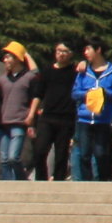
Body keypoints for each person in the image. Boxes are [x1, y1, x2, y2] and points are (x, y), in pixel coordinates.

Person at [72, 42, 112, 180]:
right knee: (84, 154)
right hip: (84, 118)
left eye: (88, 49)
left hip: (103, 119)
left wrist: (105, 93)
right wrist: (87, 93)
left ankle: (102, 180)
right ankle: (87, 183)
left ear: (98, 50)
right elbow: (75, 93)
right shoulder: (84, 71)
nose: (85, 53)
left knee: (101, 153)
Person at [0, 43, 44, 180]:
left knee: (13, 157)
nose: (5, 60)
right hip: (3, 123)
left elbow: (36, 96)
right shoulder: (2, 79)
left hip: (19, 121)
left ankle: (21, 181)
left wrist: (31, 116)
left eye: (8, 57)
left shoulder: (29, 77)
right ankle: (8, 185)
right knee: (3, 160)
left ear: (17, 59)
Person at [33, 43, 79, 182]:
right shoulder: (47, 71)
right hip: (47, 117)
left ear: (70, 54)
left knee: (61, 154)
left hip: (66, 118)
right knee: (40, 150)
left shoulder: (75, 72)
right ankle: (41, 179)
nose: (61, 54)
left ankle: (58, 181)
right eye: (59, 50)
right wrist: (31, 114)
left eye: (65, 51)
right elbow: (38, 94)